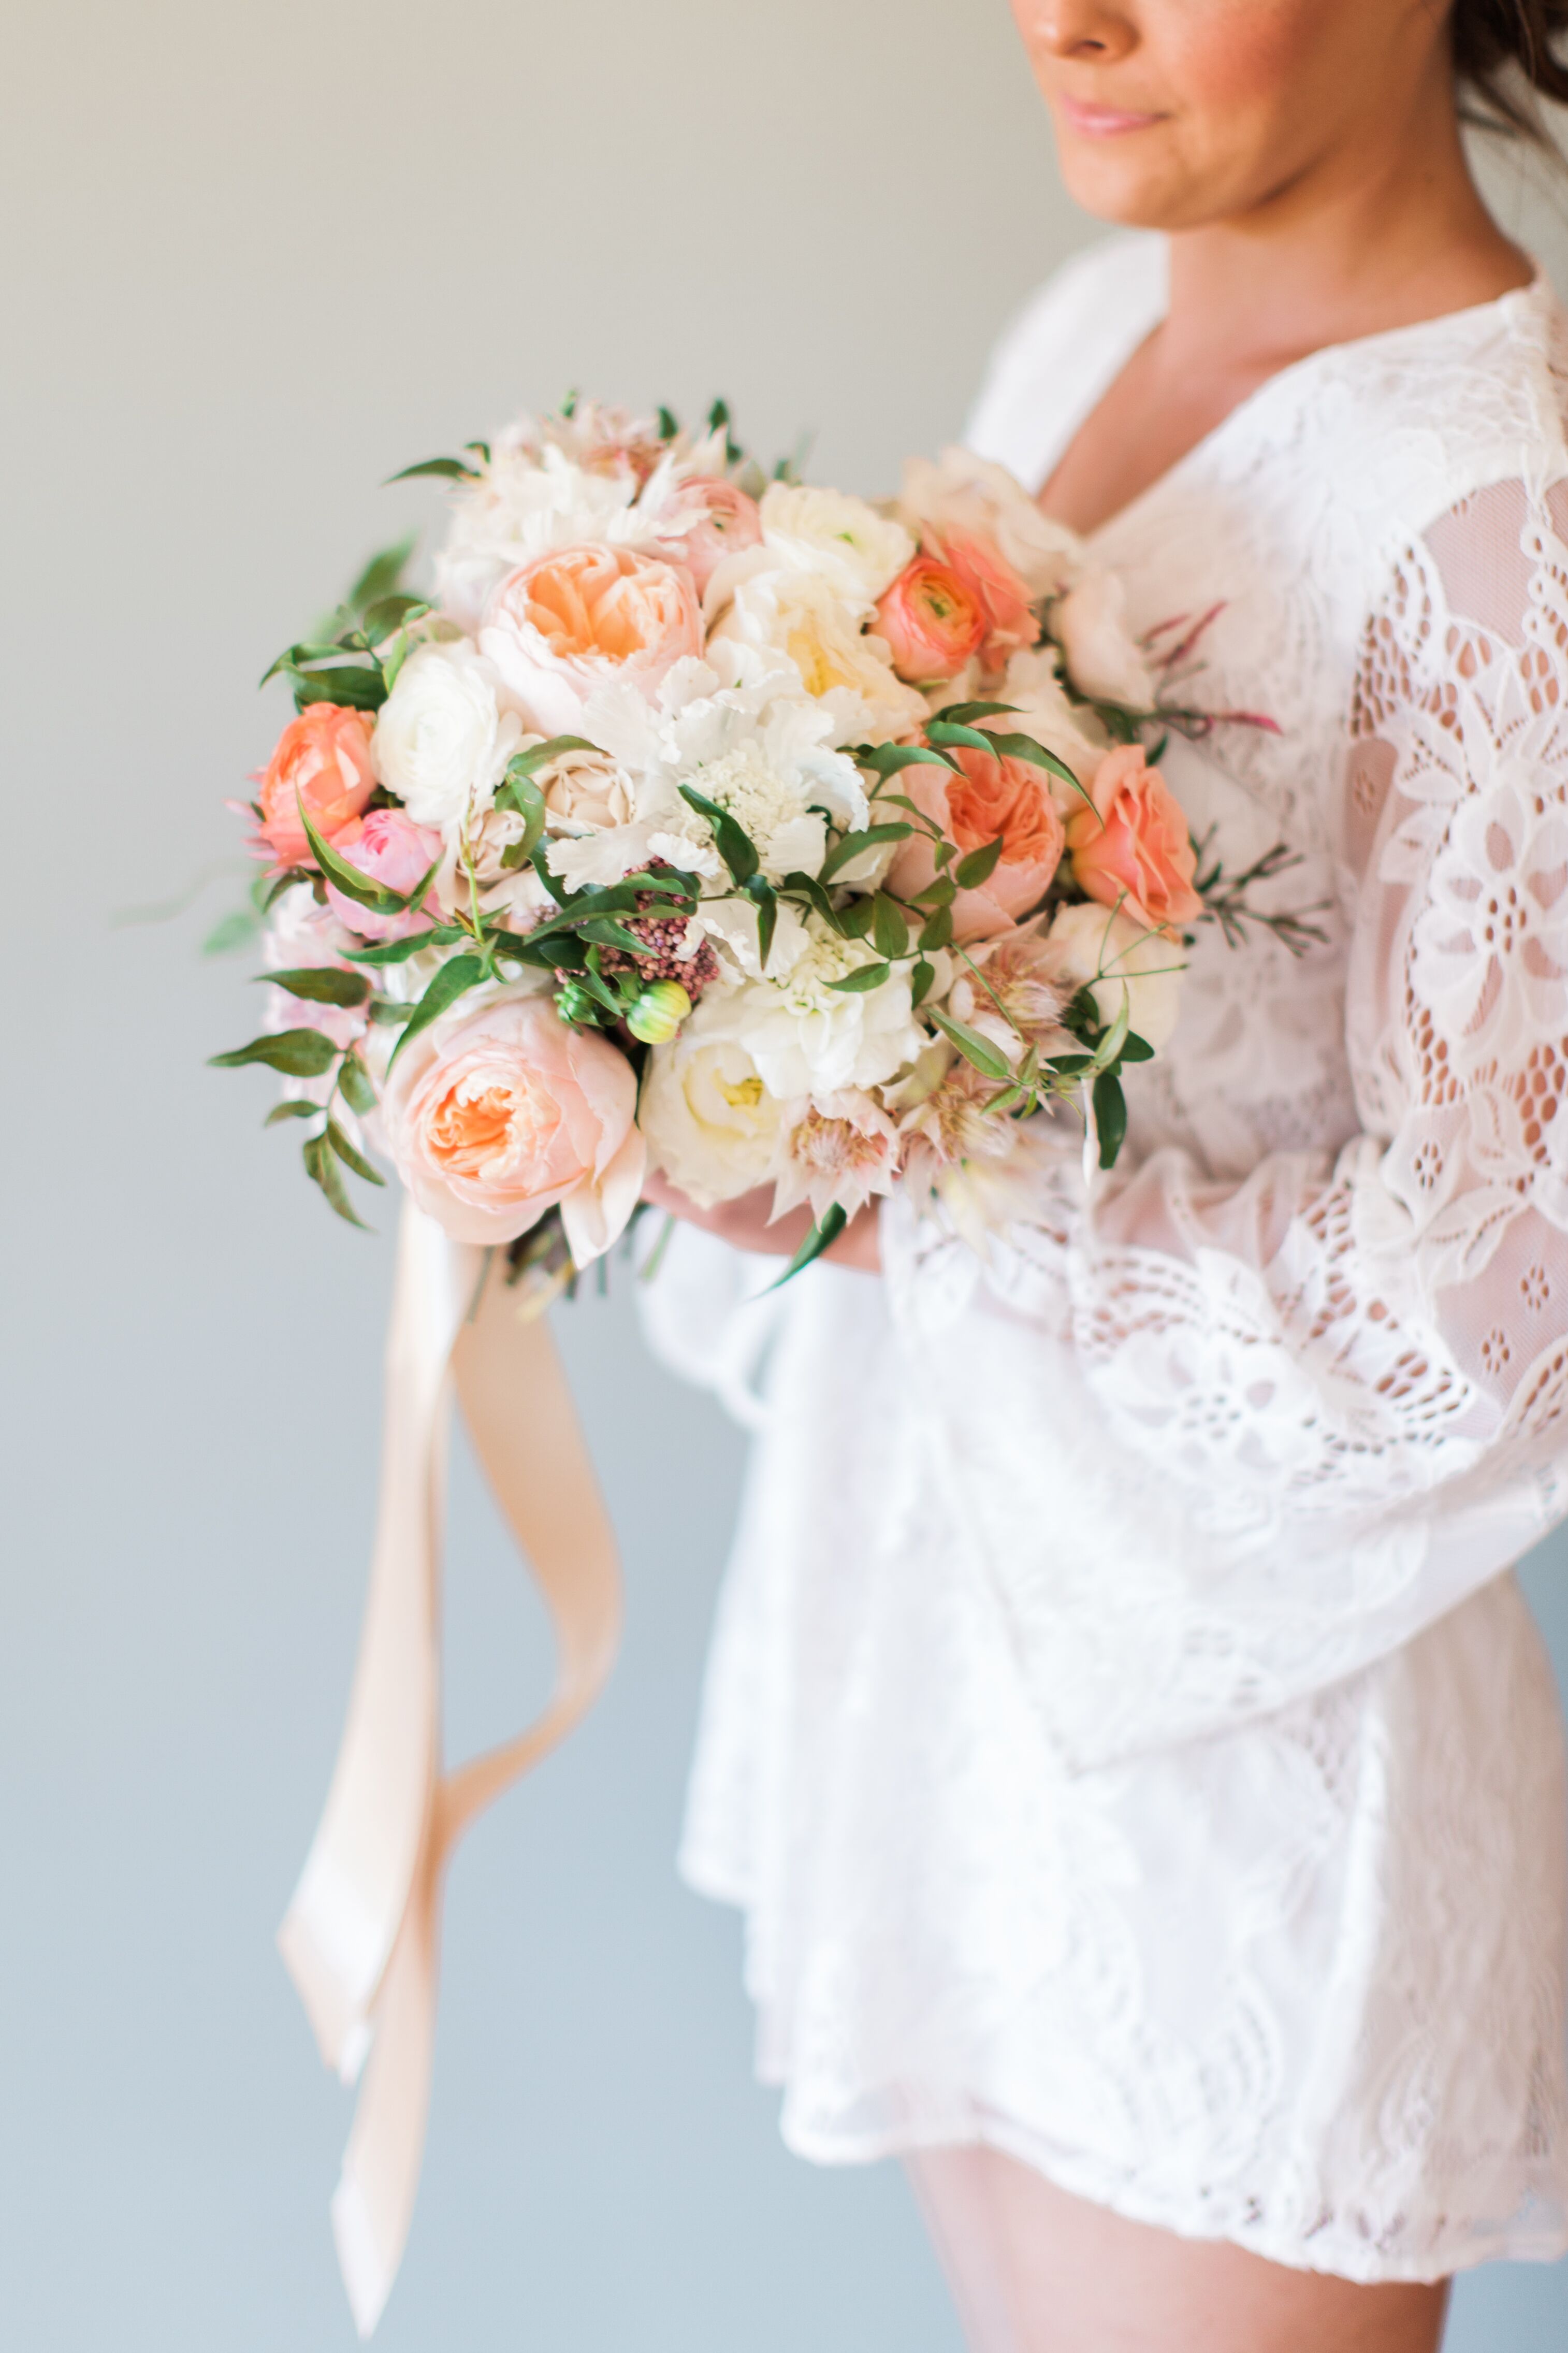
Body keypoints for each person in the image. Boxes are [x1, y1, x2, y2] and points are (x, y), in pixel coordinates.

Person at [639, 5, 1568, 2346]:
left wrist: (899, 1202)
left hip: (1240, 1760)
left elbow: (1499, 1292)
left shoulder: (1490, 522)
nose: (1070, 16)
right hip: (955, 1645)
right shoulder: (1080, 327)